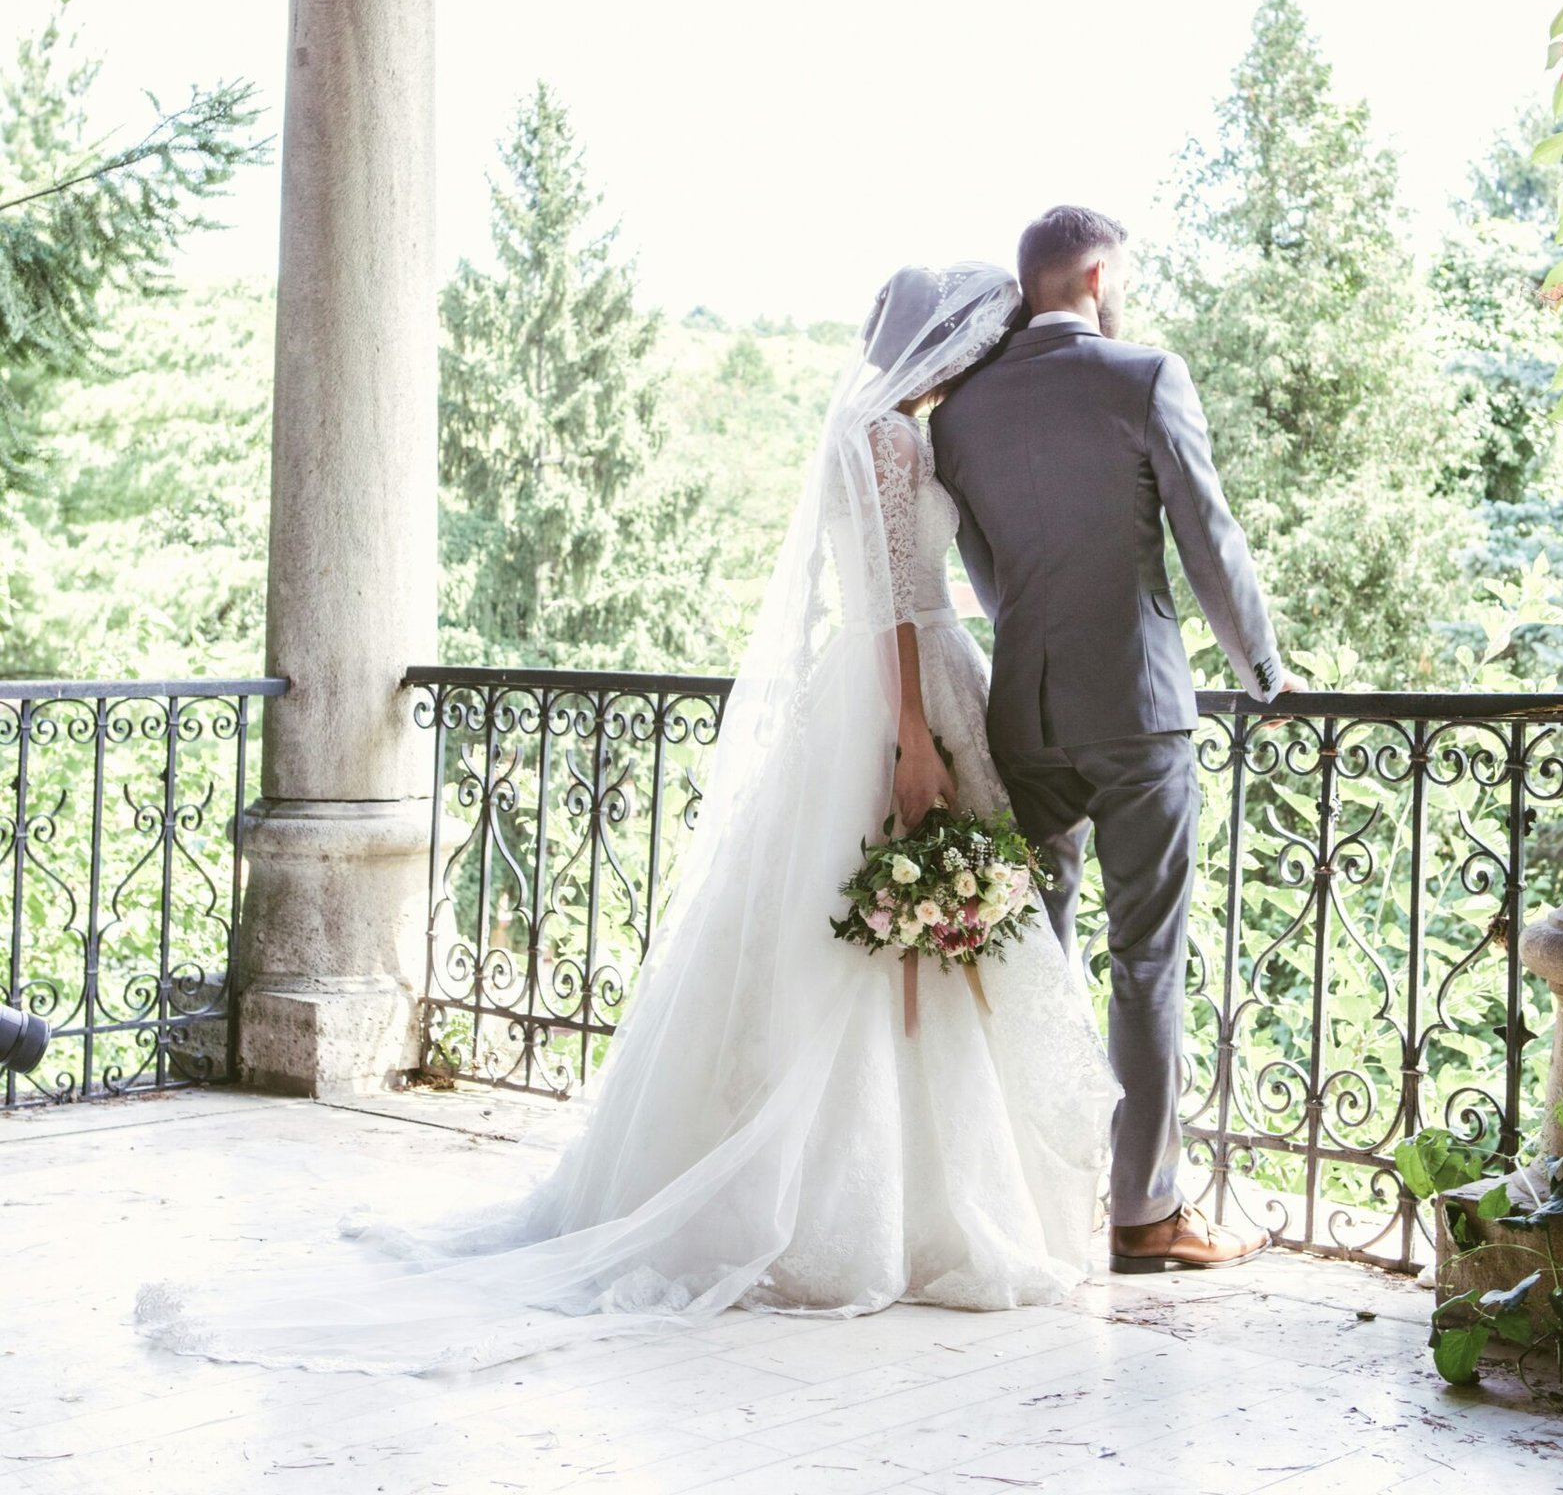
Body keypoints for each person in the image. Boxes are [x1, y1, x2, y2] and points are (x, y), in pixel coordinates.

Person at [137, 262, 1119, 1373]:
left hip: (875, 686)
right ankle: (888, 1211)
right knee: (880, 933)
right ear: (945, 348)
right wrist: (909, 735)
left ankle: (902, 1197)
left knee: (848, 937)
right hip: (900, 686)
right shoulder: (892, 440)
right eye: (977, 350)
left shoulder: (863, 427)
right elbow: (895, 598)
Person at [932, 205, 1295, 1274]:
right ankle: (1143, 1213)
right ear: (1094, 275)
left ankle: (1034, 1195)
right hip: (1138, 718)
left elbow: (990, 574)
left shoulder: (960, 414)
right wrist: (1262, 673)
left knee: (1033, 960)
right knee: (1144, 963)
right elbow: (1208, 539)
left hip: (1024, 721)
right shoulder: (1143, 376)